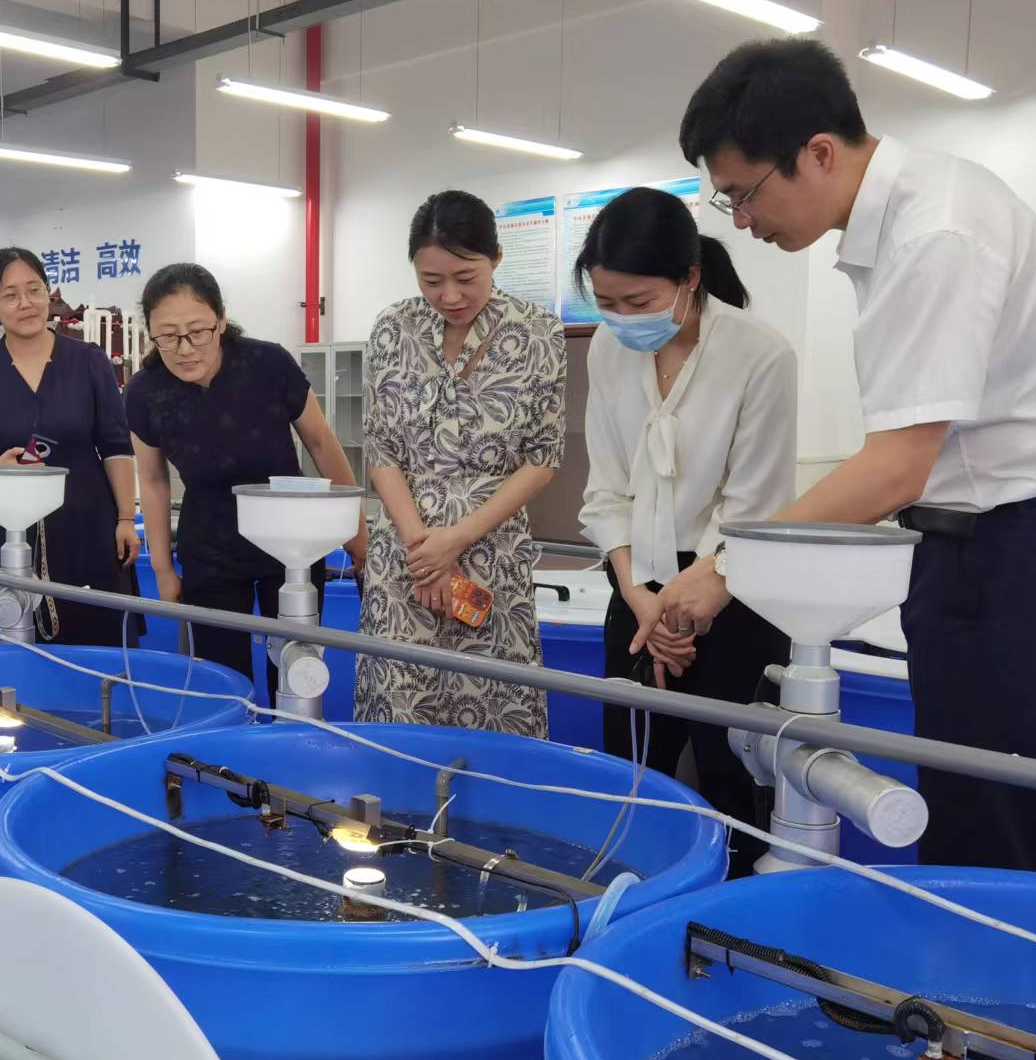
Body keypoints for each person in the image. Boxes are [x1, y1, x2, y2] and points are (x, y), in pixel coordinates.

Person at [639, 38, 1036, 874]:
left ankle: (987, 961)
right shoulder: (903, 225)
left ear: (819, 153)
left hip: (1018, 545)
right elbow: (898, 463)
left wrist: (725, 570)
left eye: (744, 194)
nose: (740, 222)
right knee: (963, 803)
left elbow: (896, 466)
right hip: (968, 542)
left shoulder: (938, 231)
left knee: (984, 820)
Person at [576, 186, 797, 877]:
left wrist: (688, 603)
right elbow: (606, 486)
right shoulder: (607, 351)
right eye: (605, 302)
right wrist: (640, 597)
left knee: (733, 781)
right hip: (637, 585)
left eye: (637, 301)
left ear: (690, 279)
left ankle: (729, 921)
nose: (621, 318)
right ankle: (634, 905)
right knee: (631, 770)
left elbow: (754, 503)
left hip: (735, 588)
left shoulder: (759, 354)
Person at [355, 190, 566, 734]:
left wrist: (456, 540)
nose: (449, 295)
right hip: (406, 557)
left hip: (491, 549)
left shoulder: (538, 331)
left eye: (466, 277)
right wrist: (424, 551)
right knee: (400, 703)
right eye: (431, 280)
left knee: (495, 705)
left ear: (497, 258)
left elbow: (542, 457)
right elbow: (381, 448)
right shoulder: (392, 328)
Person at [125, 263, 366, 697]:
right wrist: (162, 568)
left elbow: (321, 443)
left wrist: (357, 534)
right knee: (223, 680)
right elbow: (154, 480)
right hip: (211, 546)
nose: (185, 348)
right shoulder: (145, 391)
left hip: (293, 540)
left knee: (296, 673)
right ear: (151, 333)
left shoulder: (267, 363)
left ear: (221, 320)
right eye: (168, 336)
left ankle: (293, 736)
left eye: (197, 331)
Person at [0, 246, 141, 645]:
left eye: (34, 289)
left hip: (86, 519)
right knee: (9, 635)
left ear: (49, 293)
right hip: (8, 521)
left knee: (95, 636)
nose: (26, 303)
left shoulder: (89, 361)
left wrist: (125, 518)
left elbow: (116, 446)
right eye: (10, 294)